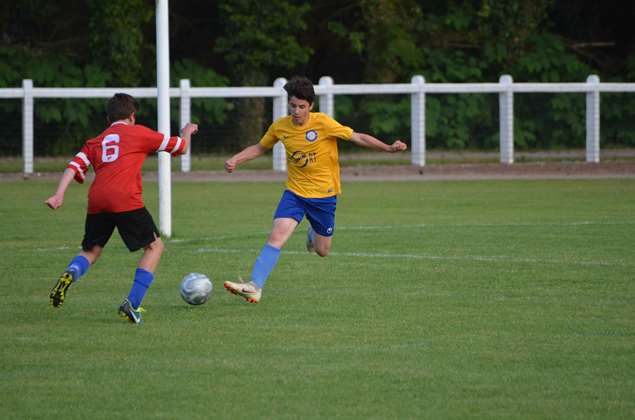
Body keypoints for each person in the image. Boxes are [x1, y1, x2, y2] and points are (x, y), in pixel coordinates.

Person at [223, 76, 407, 303]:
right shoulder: (280, 127)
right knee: (276, 236)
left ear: (310, 105)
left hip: (324, 197)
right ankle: (255, 286)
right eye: (293, 105)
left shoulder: (323, 123)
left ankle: (313, 234)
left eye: (301, 106)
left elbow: (357, 137)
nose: (296, 111)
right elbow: (260, 148)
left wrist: (388, 148)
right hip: (295, 194)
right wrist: (236, 159)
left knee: (322, 251)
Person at [45, 93, 198, 324]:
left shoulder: (96, 141)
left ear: (108, 118)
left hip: (97, 200)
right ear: (132, 116)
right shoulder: (139, 133)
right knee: (154, 247)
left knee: (91, 250)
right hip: (125, 198)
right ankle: (132, 303)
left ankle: (72, 271)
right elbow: (181, 147)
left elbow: (73, 165)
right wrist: (187, 130)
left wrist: (59, 194)